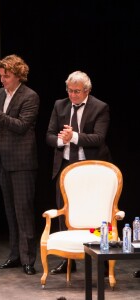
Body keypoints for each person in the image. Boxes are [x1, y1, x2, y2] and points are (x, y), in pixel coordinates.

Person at [0, 54, 40, 275]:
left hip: (22, 162)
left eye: (7, 75)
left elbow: (21, 126)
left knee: (23, 212)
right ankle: (15, 255)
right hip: (2, 160)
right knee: (11, 212)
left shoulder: (30, 96)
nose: (2, 79)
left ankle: (29, 259)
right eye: (1, 75)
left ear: (18, 75)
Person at [46, 70, 111, 275]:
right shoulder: (60, 105)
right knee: (64, 211)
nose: (72, 95)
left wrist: (73, 136)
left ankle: (100, 259)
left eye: (77, 91)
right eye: (69, 90)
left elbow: (98, 138)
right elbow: (48, 135)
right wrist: (61, 140)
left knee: (96, 213)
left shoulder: (100, 107)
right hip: (66, 166)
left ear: (87, 91)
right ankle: (68, 261)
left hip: (91, 167)